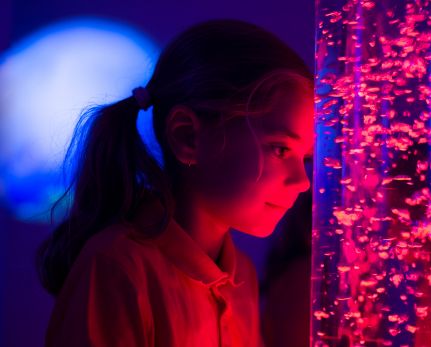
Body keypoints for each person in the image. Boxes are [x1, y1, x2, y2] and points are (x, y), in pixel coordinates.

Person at [35, 18, 314, 347]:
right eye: (281, 149)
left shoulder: (243, 278)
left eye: (305, 157)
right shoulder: (117, 267)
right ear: (188, 136)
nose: (303, 182)